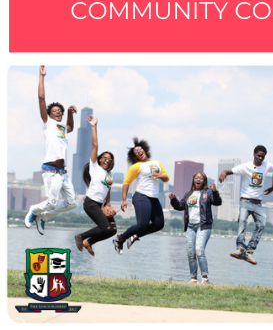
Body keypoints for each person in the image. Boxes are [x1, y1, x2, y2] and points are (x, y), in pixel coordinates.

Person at [25, 66, 78, 235]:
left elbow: (70, 126)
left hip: (63, 173)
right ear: (49, 114)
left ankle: (44, 217)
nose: (58, 113)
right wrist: (41, 77)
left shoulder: (62, 127)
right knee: (52, 202)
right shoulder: (47, 124)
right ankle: (34, 210)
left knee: (72, 203)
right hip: (50, 171)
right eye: (55, 111)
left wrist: (70, 112)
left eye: (60, 112)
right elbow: (41, 98)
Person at [219, 145, 273, 265]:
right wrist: (223, 172)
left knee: (262, 225)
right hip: (245, 201)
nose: (260, 158)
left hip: (258, 202)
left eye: (262, 156)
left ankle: (250, 251)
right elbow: (229, 171)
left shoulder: (267, 165)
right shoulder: (246, 166)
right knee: (242, 222)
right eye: (258, 155)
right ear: (254, 154)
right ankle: (240, 248)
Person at [112, 138, 170, 254]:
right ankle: (120, 238)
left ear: (144, 149)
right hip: (141, 196)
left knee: (159, 224)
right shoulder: (136, 166)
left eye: (140, 149)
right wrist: (124, 200)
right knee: (142, 224)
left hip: (154, 198)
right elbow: (126, 182)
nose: (139, 151)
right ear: (135, 156)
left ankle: (135, 236)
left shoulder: (157, 163)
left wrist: (159, 176)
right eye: (135, 152)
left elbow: (166, 177)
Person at [169, 172, 222, 284]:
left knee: (199, 251)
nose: (198, 179)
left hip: (203, 226)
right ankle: (193, 279)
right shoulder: (189, 194)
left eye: (201, 178)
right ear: (193, 180)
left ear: (204, 181)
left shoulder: (208, 192)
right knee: (190, 252)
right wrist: (173, 200)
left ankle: (205, 279)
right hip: (190, 227)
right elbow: (180, 206)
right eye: (196, 178)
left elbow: (218, 202)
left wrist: (215, 192)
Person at [75, 116, 117, 256]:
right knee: (104, 227)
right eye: (104, 158)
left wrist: (109, 204)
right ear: (99, 160)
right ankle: (81, 237)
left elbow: (108, 190)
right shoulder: (95, 167)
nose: (106, 160)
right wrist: (94, 126)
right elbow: (95, 146)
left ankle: (89, 242)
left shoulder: (109, 174)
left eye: (109, 159)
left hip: (101, 204)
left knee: (112, 230)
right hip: (91, 202)